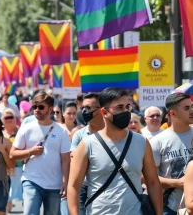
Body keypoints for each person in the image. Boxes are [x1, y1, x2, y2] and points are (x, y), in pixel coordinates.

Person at [68, 87, 162, 215]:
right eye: (119, 107)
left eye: (127, 107)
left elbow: (153, 182)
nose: (125, 111)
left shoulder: (141, 142)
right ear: (104, 112)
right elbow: (73, 186)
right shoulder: (87, 144)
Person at [10, 91, 71, 215]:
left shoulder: (61, 132)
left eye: (41, 107)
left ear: (50, 109)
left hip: (55, 185)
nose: (37, 110)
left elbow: (66, 159)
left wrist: (65, 181)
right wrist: (30, 152)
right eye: (35, 107)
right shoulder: (26, 128)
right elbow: (12, 154)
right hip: (31, 180)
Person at [151, 93, 193, 215]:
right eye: (186, 108)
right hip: (170, 208)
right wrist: (177, 183)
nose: (191, 110)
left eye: (192, 106)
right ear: (173, 113)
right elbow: (148, 178)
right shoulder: (157, 142)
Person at [70, 92, 104, 215]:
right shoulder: (79, 134)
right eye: (83, 107)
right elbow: (75, 158)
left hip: (105, 186)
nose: (84, 111)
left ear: (101, 110)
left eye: (88, 108)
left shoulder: (112, 134)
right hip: (84, 186)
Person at [1, 108, 23, 213]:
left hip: (20, 167)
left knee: (22, 192)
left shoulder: (20, 131)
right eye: (6, 117)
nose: (9, 120)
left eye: (11, 117)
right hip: (3, 168)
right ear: (2, 119)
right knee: (6, 195)